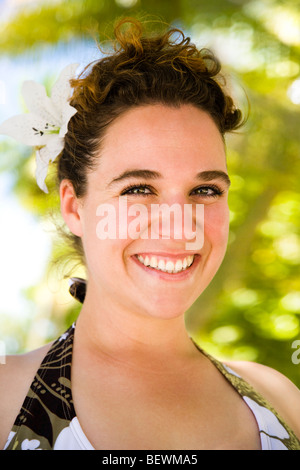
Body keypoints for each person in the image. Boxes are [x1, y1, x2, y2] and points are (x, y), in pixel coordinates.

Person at [0, 18, 299, 451]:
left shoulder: (279, 401)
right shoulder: (6, 399)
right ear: (73, 206)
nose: (179, 224)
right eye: (138, 189)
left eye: (205, 190)